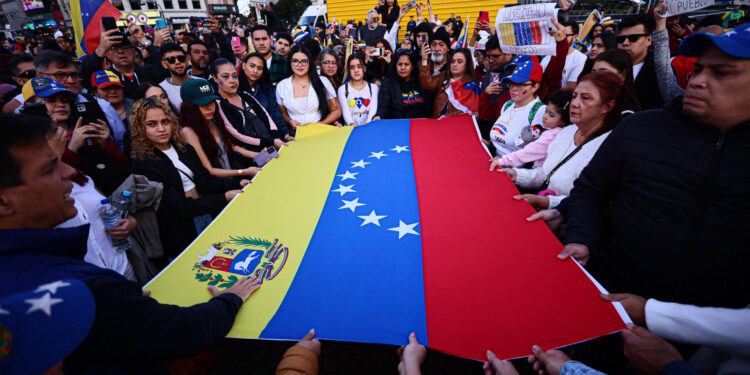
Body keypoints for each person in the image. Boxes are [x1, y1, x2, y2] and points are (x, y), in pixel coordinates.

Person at [0, 113, 262, 373]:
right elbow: (182, 332)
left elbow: (109, 206)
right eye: (49, 168)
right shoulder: (87, 287)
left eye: (165, 121)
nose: (68, 170)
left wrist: (127, 307)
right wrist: (230, 299)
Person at [561, 23, 750, 310]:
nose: (697, 81)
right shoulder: (639, 128)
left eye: (722, 73)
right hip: (613, 299)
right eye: (698, 69)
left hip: (715, 331)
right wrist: (581, 238)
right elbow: (590, 191)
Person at [129, 98, 248, 262]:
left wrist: (238, 182)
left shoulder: (184, 149)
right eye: (152, 124)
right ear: (140, 128)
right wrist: (223, 198)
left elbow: (207, 180)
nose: (161, 128)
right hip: (181, 231)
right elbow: (174, 206)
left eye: (165, 121)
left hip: (206, 215)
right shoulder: (142, 164)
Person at [498, 71, 626, 210]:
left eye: (586, 98)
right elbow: (546, 174)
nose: (575, 104)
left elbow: (592, 202)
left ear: (607, 106)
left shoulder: (608, 148)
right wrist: (516, 174)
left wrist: (547, 202)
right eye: (574, 96)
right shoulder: (566, 132)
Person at [22, 77, 130, 196]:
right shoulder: (29, 141)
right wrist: (72, 149)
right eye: (51, 101)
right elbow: (50, 180)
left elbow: (125, 165)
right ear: (30, 106)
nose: (60, 105)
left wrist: (107, 144)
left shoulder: (86, 126)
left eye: (64, 101)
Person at [34, 50, 128, 151]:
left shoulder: (101, 105)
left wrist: (107, 144)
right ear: (40, 77)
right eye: (60, 75)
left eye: (74, 75)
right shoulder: (25, 107)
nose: (70, 80)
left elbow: (122, 143)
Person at [179, 78, 260, 179]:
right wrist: (243, 172)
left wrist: (259, 155)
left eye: (212, 102)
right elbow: (209, 170)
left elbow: (231, 146)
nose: (210, 107)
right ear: (190, 107)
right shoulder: (188, 132)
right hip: (222, 188)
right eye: (203, 104)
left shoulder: (212, 120)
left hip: (235, 179)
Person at [211, 60, 287, 155]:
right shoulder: (218, 104)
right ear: (215, 78)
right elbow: (237, 134)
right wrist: (271, 142)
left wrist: (275, 137)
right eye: (225, 76)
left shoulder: (245, 95)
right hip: (248, 157)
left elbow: (266, 117)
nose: (232, 80)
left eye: (234, 75)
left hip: (271, 147)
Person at [489, 89, 572, 169]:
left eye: (551, 115)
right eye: (546, 111)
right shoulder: (509, 105)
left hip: (516, 165)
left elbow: (529, 152)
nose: (545, 116)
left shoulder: (550, 135)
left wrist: (503, 160)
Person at [80, 22, 162, 100]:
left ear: (133, 52)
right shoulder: (105, 78)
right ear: (108, 55)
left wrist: (143, 39)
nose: (120, 51)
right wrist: (101, 48)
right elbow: (85, 77)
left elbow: (164, 65)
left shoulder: (149, 71)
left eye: (124, 47)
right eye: (114, 48)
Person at [489, 59, 547, 157]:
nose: (514, 88)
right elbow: (502, 139)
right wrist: (490, 144)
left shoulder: (540, 111)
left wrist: (505, 161)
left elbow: (534, 150)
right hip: (495, 162)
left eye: (520, 84)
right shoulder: (507, 105)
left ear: (535, 87)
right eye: (511, 83)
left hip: (515, 169)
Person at [276, 45, 341, 129]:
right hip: (295, 135)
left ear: (309, 62)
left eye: (304, 61)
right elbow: (282, 113)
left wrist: (319, 125)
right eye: (295, 61)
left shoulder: (323, 81)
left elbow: (336, 111)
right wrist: (289, 120)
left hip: (321, 132)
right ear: (290, 62)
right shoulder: (282, 86)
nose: (299, 65)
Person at [239, 52, 293, 141]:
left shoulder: (268, 90)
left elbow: (276, 115)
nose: (255, 71)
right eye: (252, 66)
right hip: (244, 139)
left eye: (259, 68)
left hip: (267, 138)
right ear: (244, 65)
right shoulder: (235, 88)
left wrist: (285, 135)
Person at [617, 14, 664, 110]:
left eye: (633, 38)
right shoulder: (608, 65)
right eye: (621, 39)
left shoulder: (659, 71)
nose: (625, 43)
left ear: (649, 40)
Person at [374, 49, 431, 119]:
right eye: (400, 64)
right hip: (399, 126)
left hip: (420, 125)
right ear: (395, 66)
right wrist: (379, 116)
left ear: (412, 66)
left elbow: (428, 107)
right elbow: (384, 107)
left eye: (406, 64)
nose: (403, 68)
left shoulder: (420, 81)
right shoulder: (388, 84)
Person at [431, 48, 478, 118]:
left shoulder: (472, 86)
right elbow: (426, 84)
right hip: (437, 124)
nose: (455, 65)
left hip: (457, 126)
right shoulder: (444, 81)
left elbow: (470, 113)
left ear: (467, 65)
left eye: (460, 62)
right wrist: (424, 60)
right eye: (452, 61)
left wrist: (447, 117)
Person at [338, 53, 379, 126]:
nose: (356, 70)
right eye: (352, 67)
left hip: (369, 128)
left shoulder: (373, 88)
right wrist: (351, 123)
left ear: (364, 68)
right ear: (348, 70)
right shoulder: (342, 89)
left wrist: (368, 122)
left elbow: (373, 110)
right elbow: (345, 112)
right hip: (350, 131)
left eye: (359, 67)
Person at [159, 43, 199, 114]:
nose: (177, 62)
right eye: (171, 59)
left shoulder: (202, 82)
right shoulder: (161, 89)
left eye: (181, 58)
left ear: (187, 60)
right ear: (164, 64)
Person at [419, 27, 451, 98]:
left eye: (441, 45)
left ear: (448, 48)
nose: (436, 49)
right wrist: (424, 61)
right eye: (433, 45)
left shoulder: (453, 66)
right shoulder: (420, 64)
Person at [558, 20, 588, 90]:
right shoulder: (547, 58)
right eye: (560, 35)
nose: (562, 38)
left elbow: (571, 87)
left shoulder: (581, 59)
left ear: (575, 37)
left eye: (566, 35)